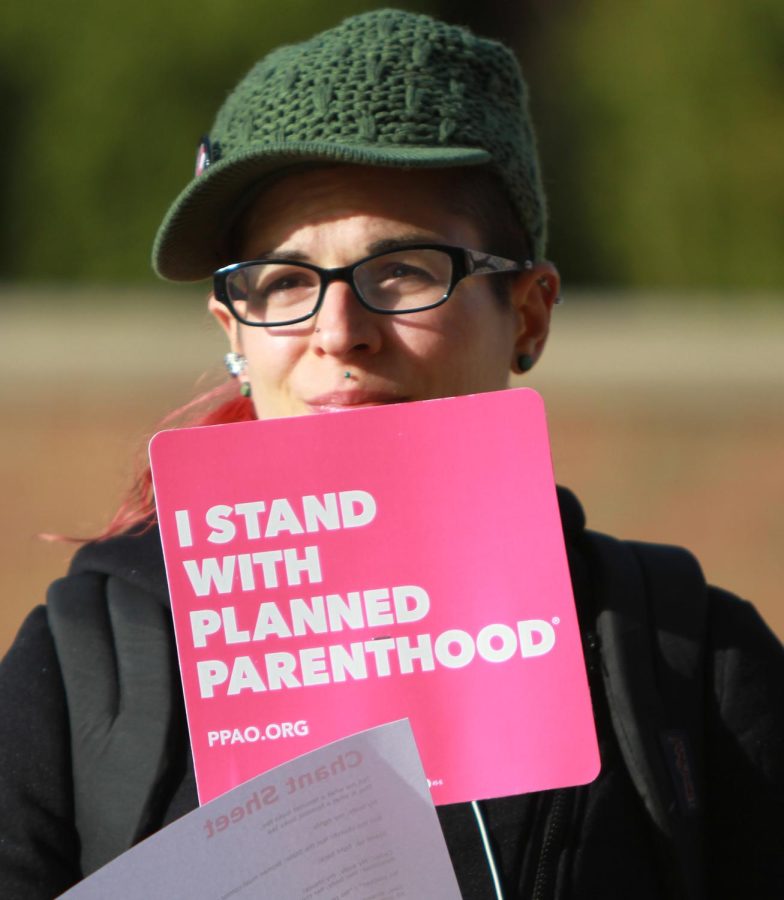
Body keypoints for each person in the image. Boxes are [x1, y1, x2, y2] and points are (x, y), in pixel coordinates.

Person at [1, 9, 781, 899]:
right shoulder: (83, 665)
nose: (338, 331)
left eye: (403, 269)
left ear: (528, 314)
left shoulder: (691, 656)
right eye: (285, 281)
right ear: (235, 334)